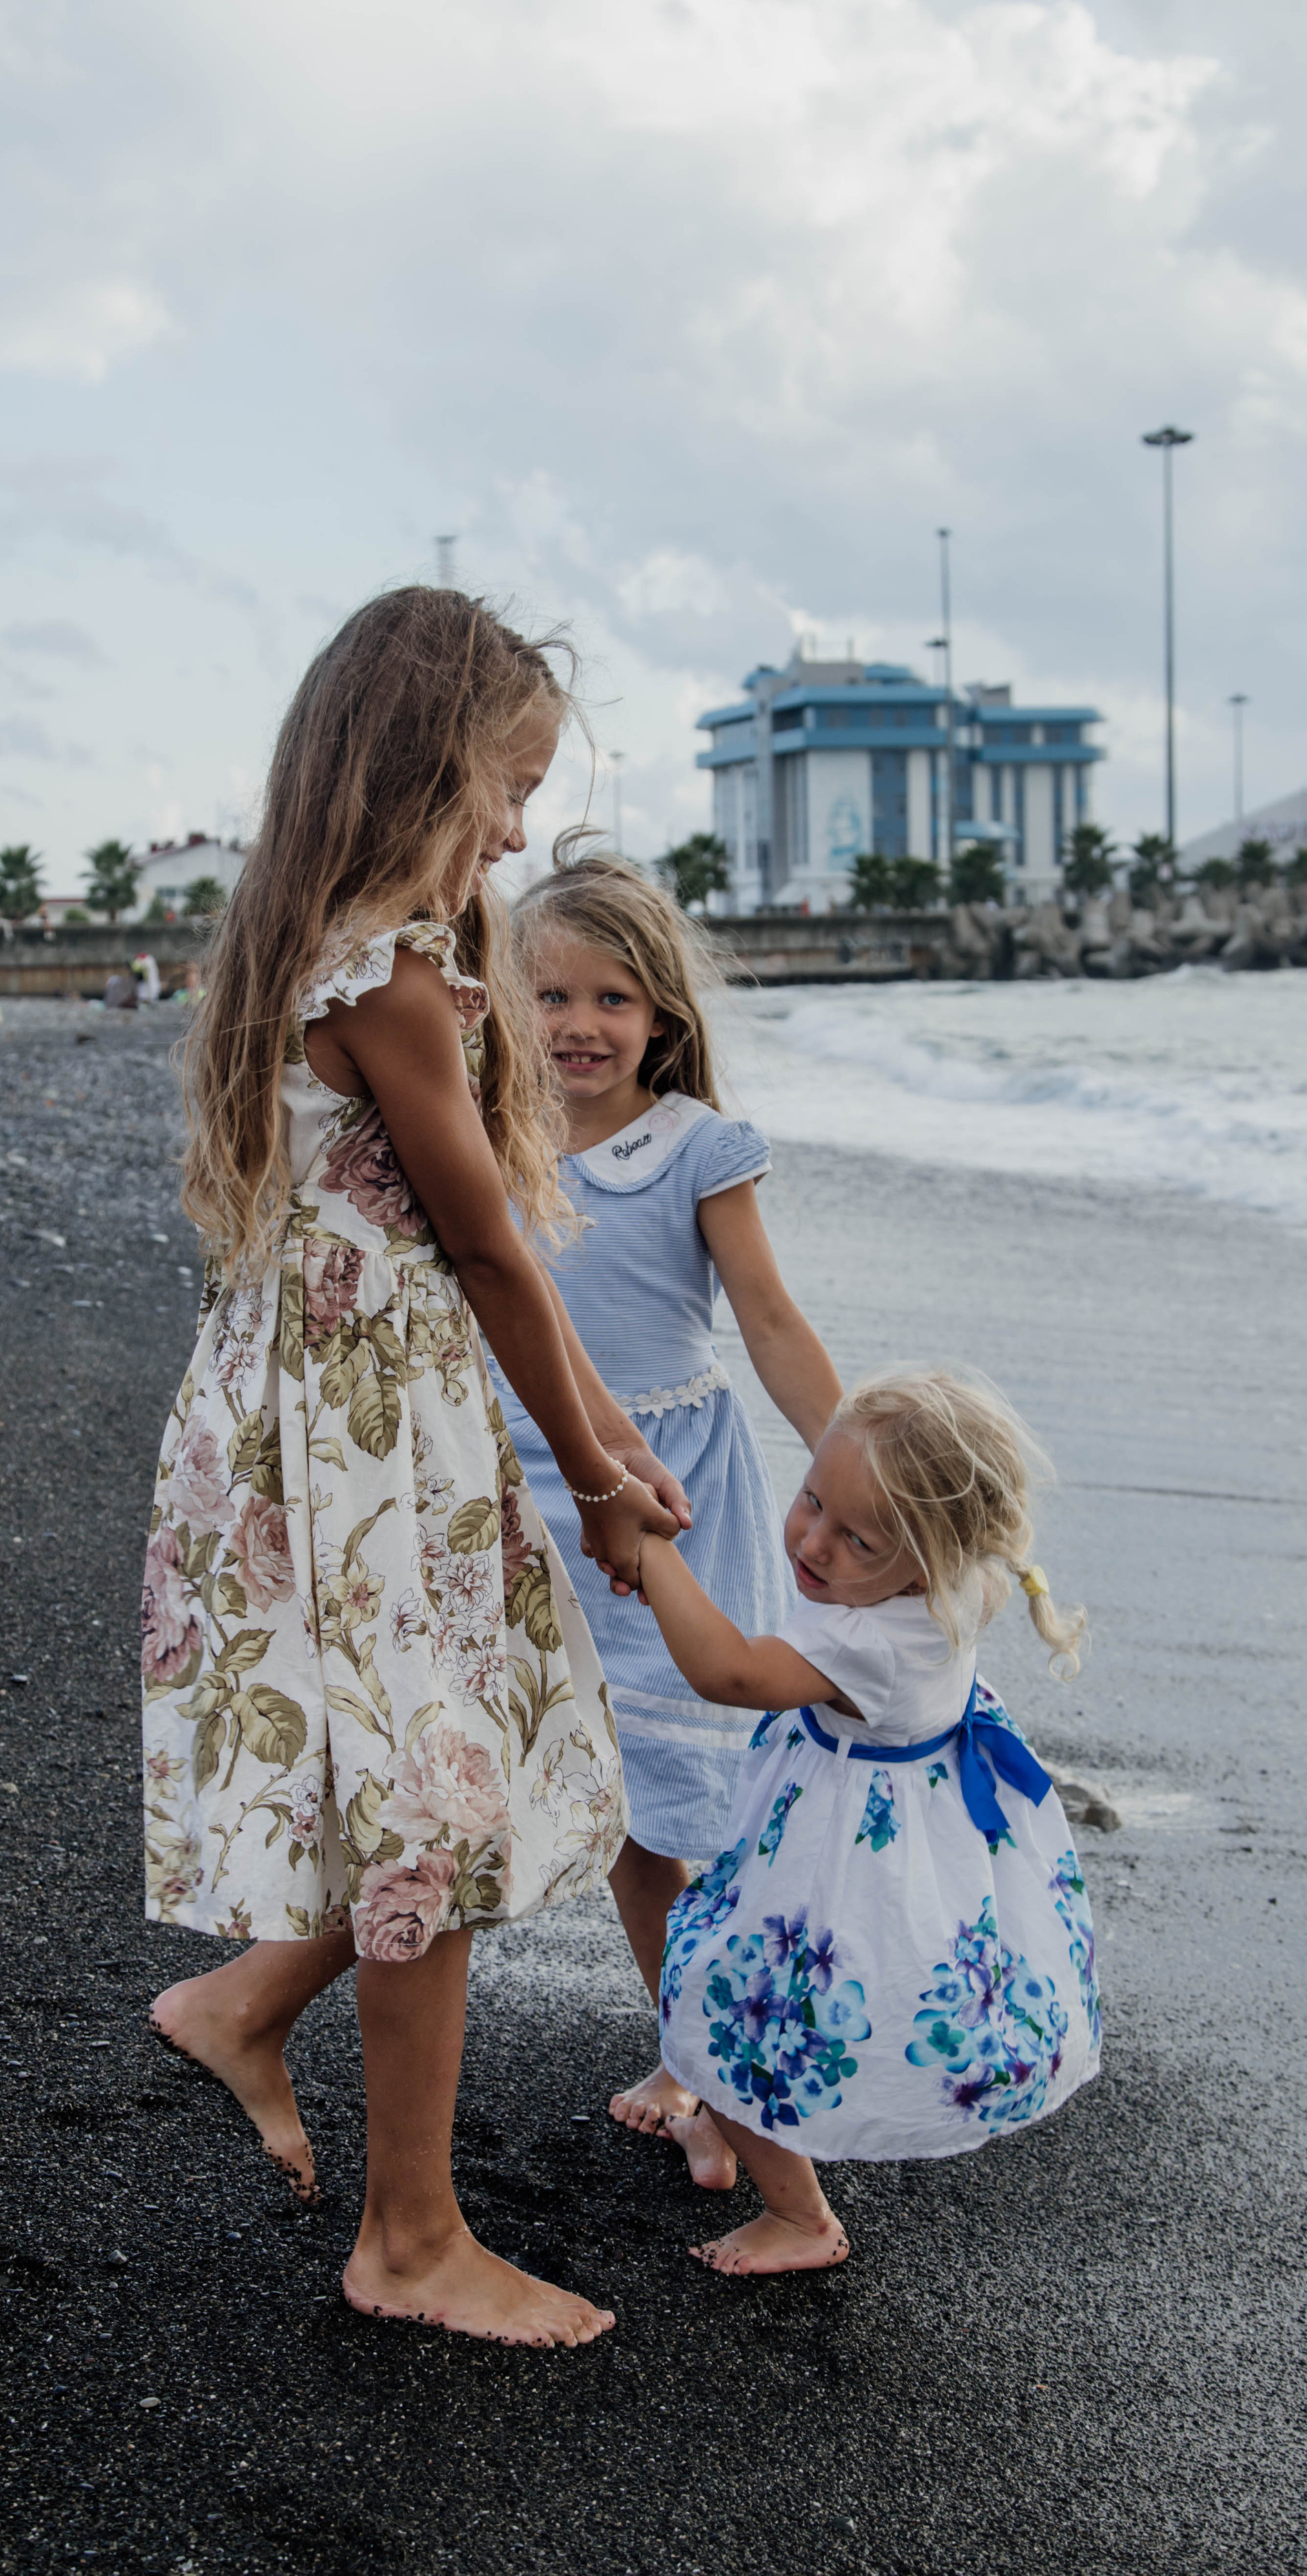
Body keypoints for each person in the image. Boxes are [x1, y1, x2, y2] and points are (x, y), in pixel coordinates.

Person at [141, 586, 686, 2349]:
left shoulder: (352, 949)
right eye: (504, 785)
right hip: (353, 1439)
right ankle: (408, 2235)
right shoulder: (381, 974)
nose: (519, 829)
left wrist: (605, 1437)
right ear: (414, 764)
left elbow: (501, 1251)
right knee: (430, 1800)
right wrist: (601, 1480)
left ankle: (245, 2016)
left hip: (365, 1418)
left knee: (418, 1786)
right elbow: (490, 1251)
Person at [502, 851, 841, 2175]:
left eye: (613, 1000)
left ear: (662, 1018)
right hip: (516, 1489)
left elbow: (766, 1317)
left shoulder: (698, 1146)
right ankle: (695, 2045)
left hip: (663, 1499)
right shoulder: (488, 1137)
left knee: (674, 1813)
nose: (578, 1026)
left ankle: (710, 2066)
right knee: (543, 1790)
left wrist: (855, 1466)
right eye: (549, 996)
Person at [632, 1366, 1101, 2276]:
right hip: (924, 1813)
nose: (814, 1541)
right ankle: (727, 2136)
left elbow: (726, 1673)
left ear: (925, 1558)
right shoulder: (967, 1581)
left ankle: (801, 2215)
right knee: (739, 2003)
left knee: (728, 2008)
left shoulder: (865, 1640)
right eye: (811, 1499)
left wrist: (652, 1553)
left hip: (843, 1848)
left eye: (858, 1538)